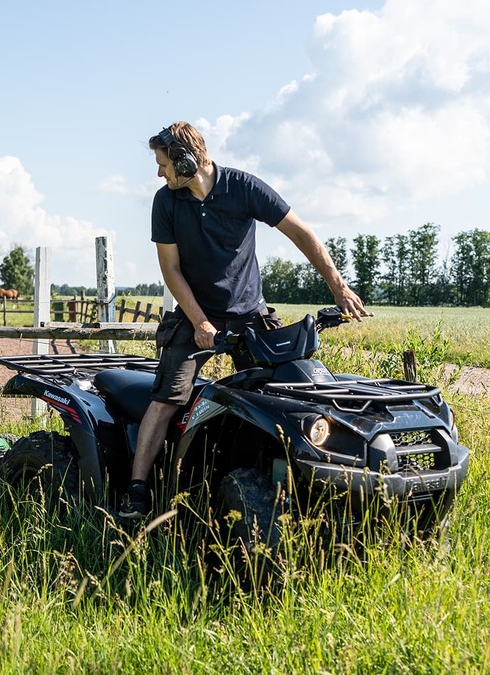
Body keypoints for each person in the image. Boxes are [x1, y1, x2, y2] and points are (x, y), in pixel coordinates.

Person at [118, 121, 370, 519]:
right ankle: (137, 490)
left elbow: (301, 233)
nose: (159, 173)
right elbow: (171, 270)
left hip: (250, 314)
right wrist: (200, 323)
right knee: (168, 397)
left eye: (163, 164)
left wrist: (338, 288)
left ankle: (296, 483)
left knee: (283, 393)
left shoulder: (245, 187)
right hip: (194, 313)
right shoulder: (166, 201)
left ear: (186, 161)